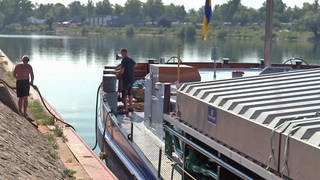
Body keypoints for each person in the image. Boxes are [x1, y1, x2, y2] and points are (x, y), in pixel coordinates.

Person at [117, 48, 136, 114]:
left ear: (124, 53)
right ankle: (131, 107)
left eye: (122, 53)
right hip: (131, 79)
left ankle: (126, 109)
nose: (121, 55)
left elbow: (122, 71)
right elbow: (135, 65)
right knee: (130, 93)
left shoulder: (124, 60)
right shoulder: (130, 60)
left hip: (126, 79)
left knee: (124, 94)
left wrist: (117, 72)